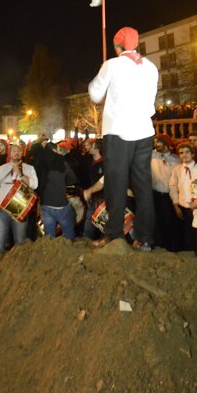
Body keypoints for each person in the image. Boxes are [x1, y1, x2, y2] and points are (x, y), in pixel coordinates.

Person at [87, 26, 158, 250]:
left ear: (118, 46)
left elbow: (95, 94)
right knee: (143, 185)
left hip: (118, 131)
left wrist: (101, 73)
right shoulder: (151, 67)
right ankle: (145, 238)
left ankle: (114, 235)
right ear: (136, 44)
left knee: (115, 185)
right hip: (144, 131)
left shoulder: (112, 64)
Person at [0, 142, 38, 254]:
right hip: (3, 208)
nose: (16, 153)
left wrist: (20, 174)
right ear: (10, 153)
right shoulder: (3, 168)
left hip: (20, 208)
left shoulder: (29, 168)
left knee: (20, 241)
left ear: (22, 153)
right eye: (14, 151)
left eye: (19, 151)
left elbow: (34, 184)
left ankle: (18, 267)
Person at [169, 142, 197, 255]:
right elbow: (173, 187)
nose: (184, 155)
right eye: (181, 152)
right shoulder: (177, 170)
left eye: (187, 152)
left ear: (193, 154)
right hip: (184, 207)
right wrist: (175, 204)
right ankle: (189, 255)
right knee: (187, 235)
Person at [150, 134, 181, 251]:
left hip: (169, 196)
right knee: (156, 221)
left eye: (158, 142)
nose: (156, 144)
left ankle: (170, 246)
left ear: (166, 144)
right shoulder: (152, 155)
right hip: (155, 194)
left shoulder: (176, 160)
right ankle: (158, 244)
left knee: (169, 222)